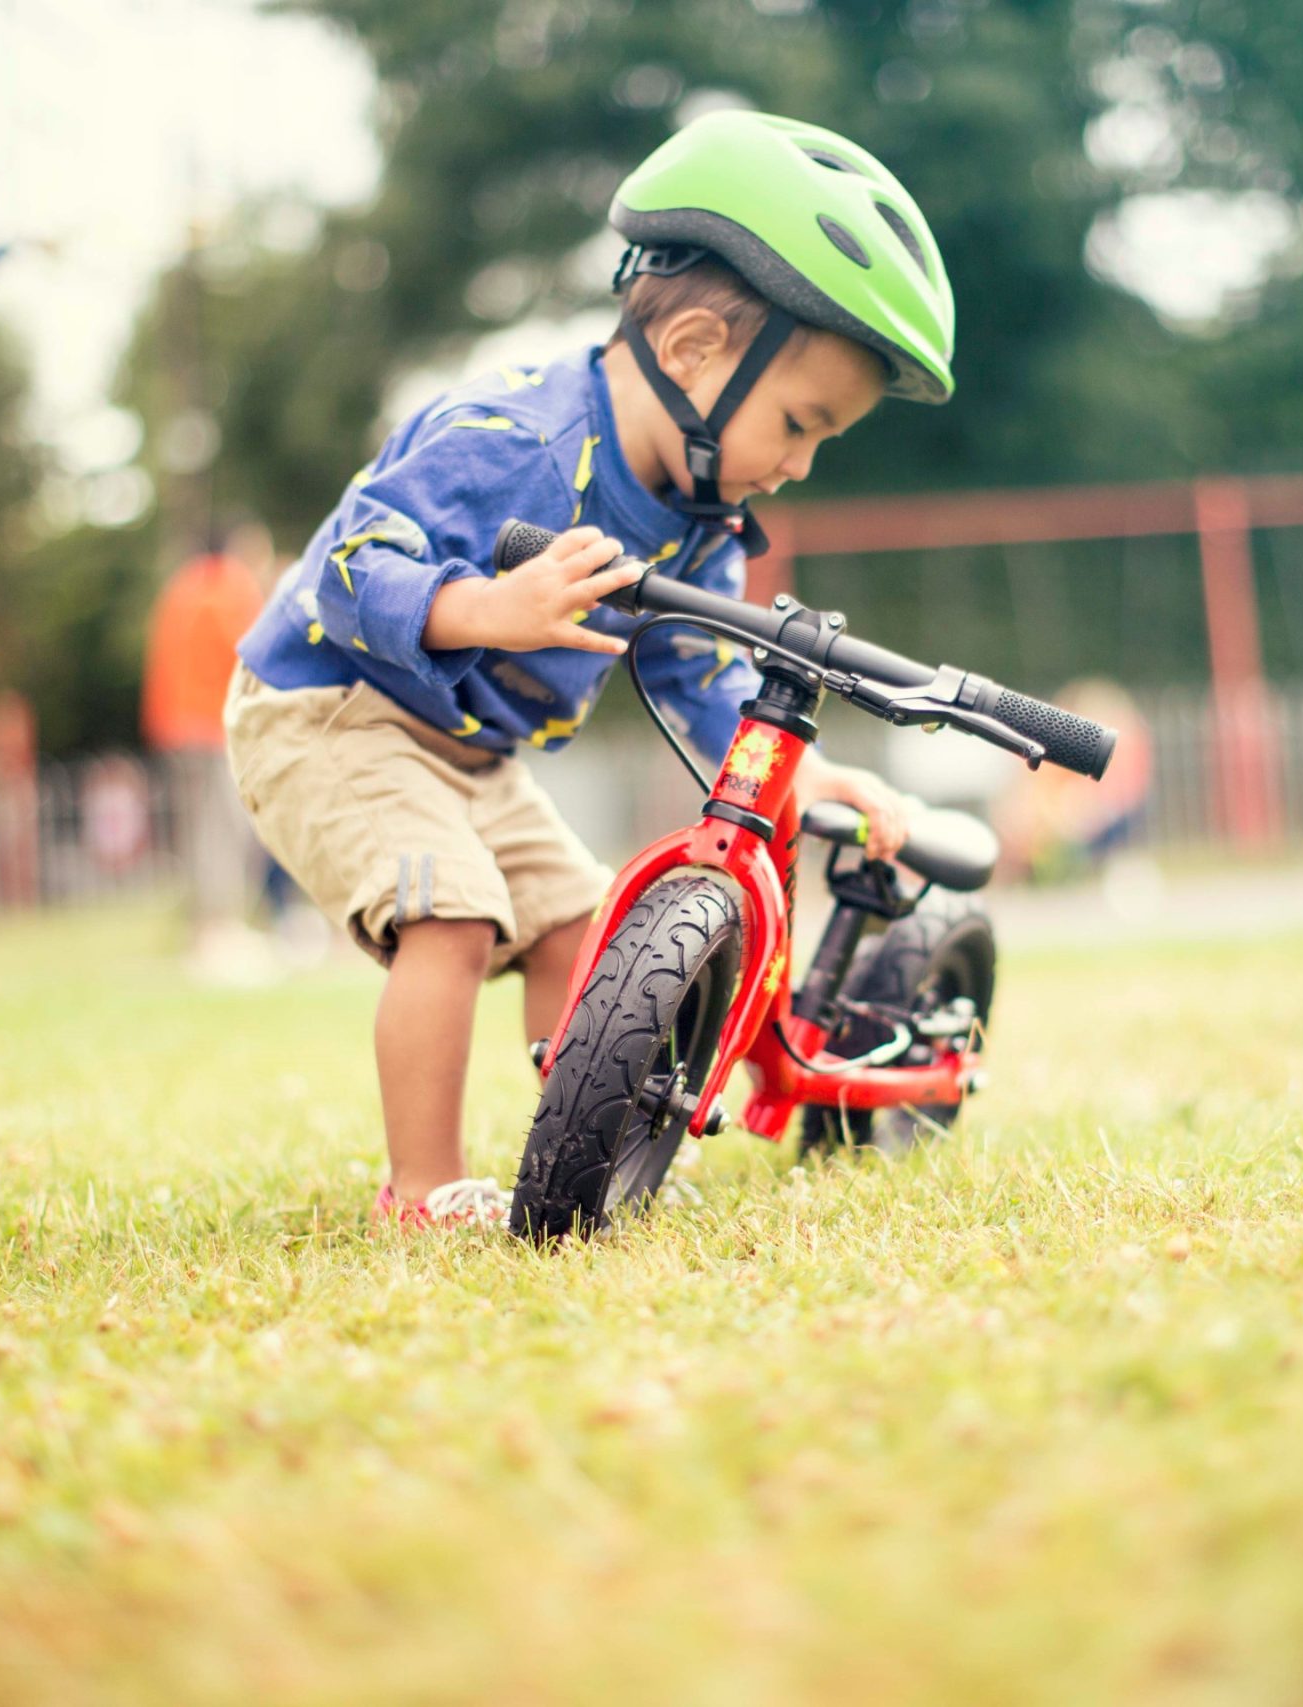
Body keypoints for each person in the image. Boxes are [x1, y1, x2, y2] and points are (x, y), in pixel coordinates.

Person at [226, 111, 948, 1227]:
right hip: (333, 707)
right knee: (454, 918)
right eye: (798, 424)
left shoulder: (699, 512)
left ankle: (573, 1154)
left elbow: (700, 678)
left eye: (821, 443)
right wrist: (486, 608)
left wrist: (804, 784)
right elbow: (352, 566)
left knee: (578, 924)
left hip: (467, 746)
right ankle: (416, 1194)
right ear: (696, 348)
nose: (799, 465)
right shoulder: (514, 439)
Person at [144, 521, 272, 974]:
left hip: (175, 726)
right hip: (212, 725)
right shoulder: (230, 586)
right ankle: (221, 929)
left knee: (197, 829)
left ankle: (204, 928)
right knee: (226, 829)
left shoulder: (181, 587)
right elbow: (255, 651)